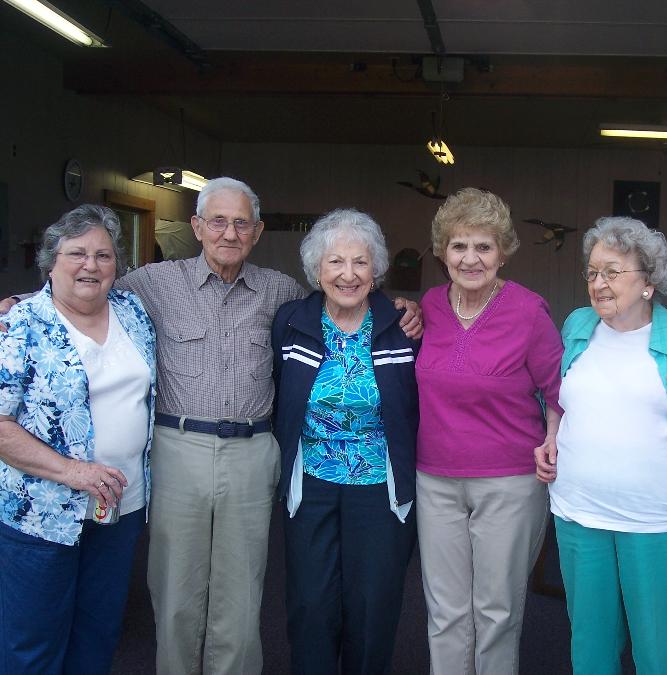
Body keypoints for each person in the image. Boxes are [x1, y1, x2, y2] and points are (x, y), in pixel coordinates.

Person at [0, 177, 421, 675]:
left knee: (241, 595)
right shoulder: (151, 284)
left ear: (258, 231)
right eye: (217, 221)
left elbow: (343, 301)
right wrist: (23, 303)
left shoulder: (281, 296)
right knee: (176, 590)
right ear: (197, 226)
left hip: (251, 450)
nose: (229, 233)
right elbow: (84, 288)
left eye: (241, 222)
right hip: (179, 448)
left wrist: (399, 305)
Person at [535, 217, 667, 675]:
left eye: (612, 272)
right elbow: (557, 393)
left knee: (660, 652)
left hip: (658, 523)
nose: (598, 284)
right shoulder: (578, 325)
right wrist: (551, 433)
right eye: (592, 272)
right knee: (590, 648)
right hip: (579, 514)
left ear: (649, 283)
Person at [0, 205, 156, 674]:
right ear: (52, 262)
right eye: (77, 253)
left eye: (104, 256)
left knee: (98, 633)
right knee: (34, 643)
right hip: (42, 516)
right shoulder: (20, 324)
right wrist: (74, 472)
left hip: (120, 509)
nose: (91, 265)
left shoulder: (133, 311)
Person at [415, 187, 564, 674]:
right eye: (459, 246)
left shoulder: (528, 312)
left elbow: (558, 390)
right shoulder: (429, 308)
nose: (471, 258)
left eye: (484, 247)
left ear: (503, 252)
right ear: (443, 252)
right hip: (435, 479)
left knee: (497, 611)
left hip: (509, 482)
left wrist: (551, 438)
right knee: (445, 612)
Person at [271, 208, 418, 674]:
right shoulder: (291, 322)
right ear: (317, 270)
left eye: (360, 262)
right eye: (336, 262)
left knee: (373, 604)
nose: (348, 275)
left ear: (376, 271)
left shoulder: (403, 326)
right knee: (311, 602)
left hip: (379, 486)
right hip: (311, 481)